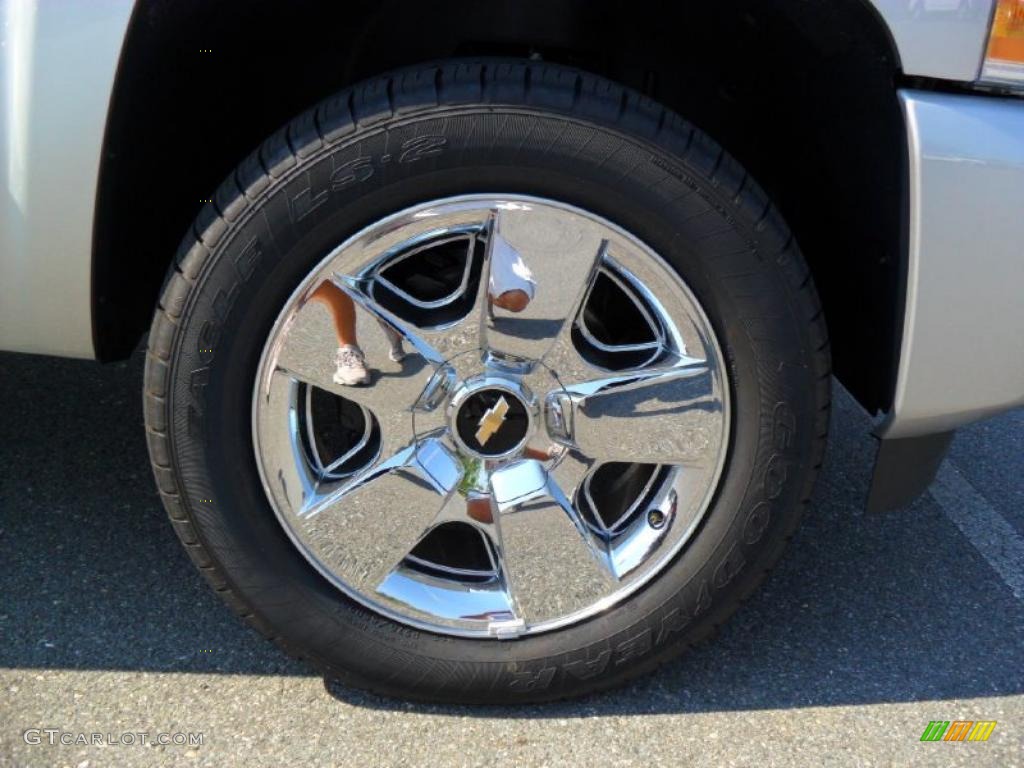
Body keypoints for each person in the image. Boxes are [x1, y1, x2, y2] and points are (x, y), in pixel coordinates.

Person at [315, 235, 537, 386]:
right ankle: (349, 347)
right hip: (402, 213)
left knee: (516, 299)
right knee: (323, 270)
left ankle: (480, 287)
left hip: (466, 211)